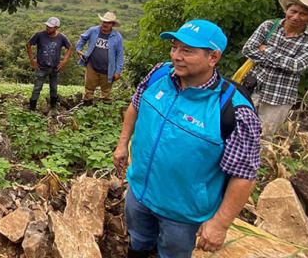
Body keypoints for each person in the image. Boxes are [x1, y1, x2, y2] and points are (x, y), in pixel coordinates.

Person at [112, 19, 261, 258]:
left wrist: (220, 224)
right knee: (138, 240)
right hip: (139, 191)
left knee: (172, 253)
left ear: (213, 57)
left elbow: (243, 175)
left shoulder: (233, 110)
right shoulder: (159, 75)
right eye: (174, 47)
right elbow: (135, 105)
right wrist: (122, 145)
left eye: (187, 50)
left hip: (183, 214)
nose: (176, 56)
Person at [241, 0, 308, 139]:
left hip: (280, 95)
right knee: (237, 128)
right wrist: (284, 62)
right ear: (286, 10)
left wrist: (266, 50)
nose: (296, 17)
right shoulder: (269, 26)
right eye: (293, 11)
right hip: (252, 87)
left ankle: (256, 162)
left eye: (303, 14)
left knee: (263, 137)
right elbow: (248, 49)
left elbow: (297, 66)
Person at [75, 11, 124, 104]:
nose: (105, 24)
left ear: (112, 24)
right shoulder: (93, 30)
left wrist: (118, 71)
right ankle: (87, 106)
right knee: (89, 88)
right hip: (92, 65)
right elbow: (83, 38)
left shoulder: (117, 37)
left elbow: (120, 54)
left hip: (108, 68)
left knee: (106, 92)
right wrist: (78, 48)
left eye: (108, 22)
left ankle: (104, 110)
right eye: (104, 22)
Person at [26, 17, 73, 111]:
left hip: (55, 68)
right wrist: (32, 60)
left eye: (50, 27)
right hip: (41, 67)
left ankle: (53, 106)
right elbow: (29, 44)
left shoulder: (61, 37)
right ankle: (32, 108)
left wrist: (64, 61)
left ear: (56, 28)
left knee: (54, 88)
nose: (47, 28)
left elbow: (70, 47)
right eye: (47, 26)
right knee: (37, 87)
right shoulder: (39, 35)